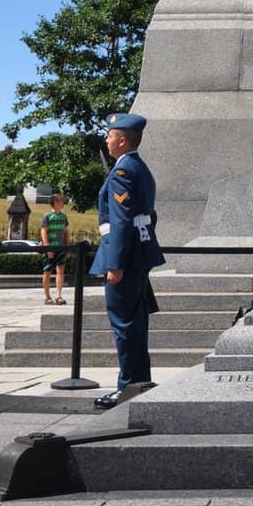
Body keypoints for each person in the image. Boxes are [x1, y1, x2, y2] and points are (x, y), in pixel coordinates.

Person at [89, 111, 164, 409]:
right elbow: (147, 216)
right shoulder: (141, 169)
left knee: (124, 325)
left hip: (123, 256)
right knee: (136, 324)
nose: (107, 141)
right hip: (139, 253)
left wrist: (115, 263)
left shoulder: (121, 173)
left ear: (121, 140)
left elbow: (120, 221)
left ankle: (128, 388)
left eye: (110, 136)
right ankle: (140, 384)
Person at [40, 192, 69, 305]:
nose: (62, 202)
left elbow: (66, 232)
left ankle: (58, 295)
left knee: (60, 271)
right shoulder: (47, 216)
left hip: (61, 247)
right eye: (59, 200)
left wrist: (67, 247)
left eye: (61, 200)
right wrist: (48, 248)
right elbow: (43, 231)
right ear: (54, 203)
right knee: (47, 271)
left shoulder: (63, 216)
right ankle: (47, 296)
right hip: (50, 247)